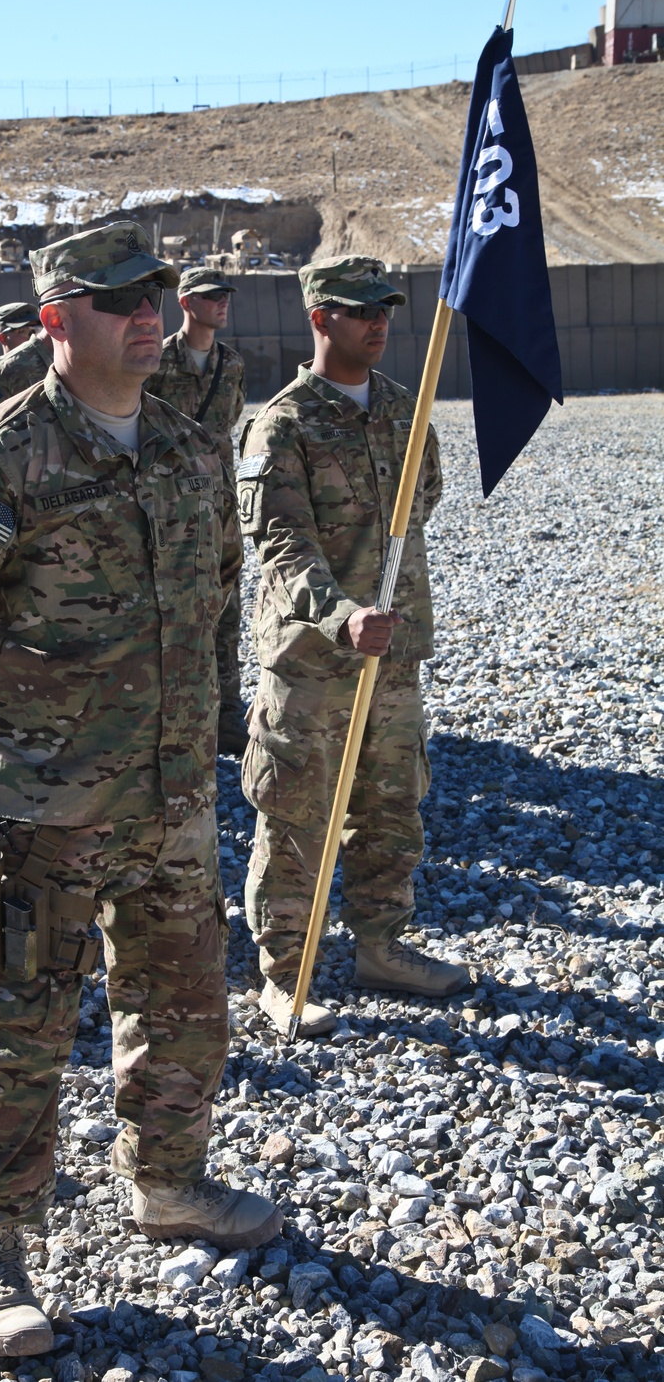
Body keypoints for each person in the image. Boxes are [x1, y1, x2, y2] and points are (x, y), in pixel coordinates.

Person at [0, 221, 279, 1359]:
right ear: (56, 320)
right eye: (116, 301)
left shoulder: (192, 448)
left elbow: (211, 610)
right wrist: (25, 711)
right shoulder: (1, 457)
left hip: (171, 798)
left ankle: (171, 1182)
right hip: (43, 806)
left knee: (185, 1001)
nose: (146, 315)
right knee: (19, 1021)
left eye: (151, 295)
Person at [239, 256, 470, 1036]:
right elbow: (281, 544)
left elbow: (425, 495)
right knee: (297, 813)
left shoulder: (408, 410)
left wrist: (382, 618)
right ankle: (283, 972)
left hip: (394, 656)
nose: (377, 322)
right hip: (315, 663)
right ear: (319, 317)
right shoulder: (282, 425)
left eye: (385, 309)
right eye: (358, 309)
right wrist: (340, 615)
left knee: (392, 805)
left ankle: (383, 944)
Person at [146, 267, 247, 755]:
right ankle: (176, 718)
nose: (221, 303)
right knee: (175, 611)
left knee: (227, 610)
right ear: (185, 302)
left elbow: (232, 420)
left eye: (225, 295)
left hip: (221, 504)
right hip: (172, 506)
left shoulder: (232, 364)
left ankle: (228, 714)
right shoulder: (158, 361)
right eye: (211, 296)